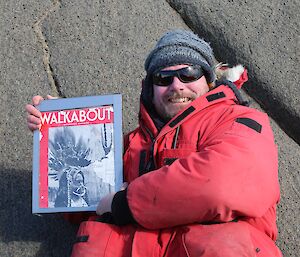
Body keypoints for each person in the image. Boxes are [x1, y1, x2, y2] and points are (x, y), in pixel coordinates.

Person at [26, 29, 282, 257]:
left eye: (188, 74)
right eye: (163, 78)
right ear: (148, 87)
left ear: (209, 81)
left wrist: (125, 202)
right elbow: (74, 205)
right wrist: (61, 131)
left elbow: (225, 183)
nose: (177, 85)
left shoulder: (240, 120)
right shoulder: (126, 147)